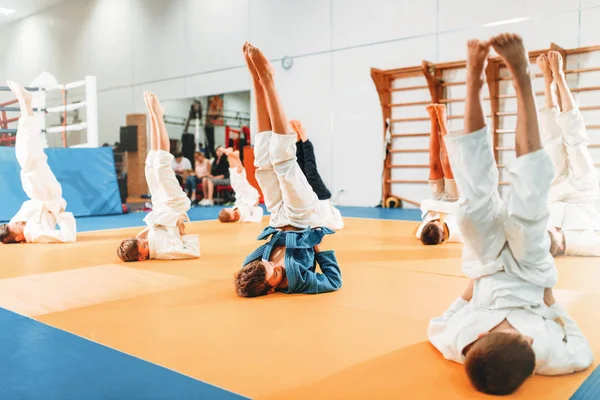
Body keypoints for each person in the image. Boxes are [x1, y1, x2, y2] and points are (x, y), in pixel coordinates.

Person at [427, 34, 593, 395]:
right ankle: (516, 76)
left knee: (491, 199)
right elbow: (583, 351)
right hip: (515, 268)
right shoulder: (546, 356)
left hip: (499, 269)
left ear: (479, 337)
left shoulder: (466, 344)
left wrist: (472, 293)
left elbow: (438, 324)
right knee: (512, 186)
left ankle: (479, 78)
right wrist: (550, 302)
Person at [233, 42, 342, 297]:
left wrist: (264, 262)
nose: (274, 265)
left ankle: (256, 82)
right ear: (272, 289)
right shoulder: (299, 282)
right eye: (274, 271)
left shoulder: (253, 270)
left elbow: (257, 261)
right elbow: (333, 280)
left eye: (267, 264)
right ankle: (269, 81)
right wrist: (317, 241)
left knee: (262, 162)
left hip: (278, 218)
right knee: (283, 161)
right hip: (304, 218)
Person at [117, 91, 199, 262]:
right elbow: (191, 249)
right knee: (162, 165)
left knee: (151, 164)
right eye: (144, 245)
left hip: (160, 205)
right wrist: (180, 227)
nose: (145, 241)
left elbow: (149, 232)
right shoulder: (164, 252)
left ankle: (153, 115)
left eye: (142, 241)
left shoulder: (144, 240)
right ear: (141, 257)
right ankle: (158, 116)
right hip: (175, 206)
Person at [536, 51, 600, 257]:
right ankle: (559, 77)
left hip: (554, 193)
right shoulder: (584, 245)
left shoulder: (545, 230)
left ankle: (548, 81)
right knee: (576, 142)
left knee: (552, 141)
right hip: (584, 192)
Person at [0, 81, 76, 244]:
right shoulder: (34, 234)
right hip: (48, 197)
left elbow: (9, 229)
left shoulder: (16, 223)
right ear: (20, 238)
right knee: (28, 158)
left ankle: (25, 103)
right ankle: (25, 102)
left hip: (37, 193)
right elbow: (67, 238)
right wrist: (62, 215)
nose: (19, 223)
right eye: (17, 228)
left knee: (27, 157)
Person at [416, 104, 462, 245]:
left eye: (432, 222)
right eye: (437, 223)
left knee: (434, 165)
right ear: (443, 236)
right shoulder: (455, 234)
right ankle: (442, 121)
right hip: (453, 199)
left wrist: (432, 210)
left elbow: (425, 210)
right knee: (447, 164)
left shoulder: (421, 233)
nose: (436, 221)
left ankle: (433, 121)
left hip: (437, 199)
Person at [290, 119, 344, 231]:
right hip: (320, 196)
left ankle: (299, 139)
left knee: (303, 171)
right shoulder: (332, 222)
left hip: (315, 197)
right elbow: (337, 225)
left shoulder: (325, 222)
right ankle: (302, 138)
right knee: (310, 171)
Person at [218, 148, 264, 223]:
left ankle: (230, 156)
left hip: (241, 196)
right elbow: (258, 213)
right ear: (232, 217)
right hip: (250, 197)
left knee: (234, 179)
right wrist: (254, 204)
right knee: (240, 178)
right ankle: (236, 157)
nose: (230, 208)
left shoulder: (235, 210)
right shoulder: (245, 217)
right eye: (229, 210)